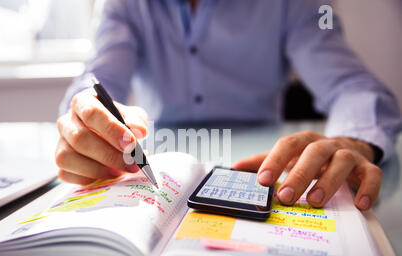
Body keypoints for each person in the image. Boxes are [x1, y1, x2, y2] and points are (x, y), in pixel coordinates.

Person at [55, 0, 401, 211]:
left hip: (265, 165)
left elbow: (353, 87)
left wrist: (352, 139)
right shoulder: (125, 4)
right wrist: (86, 120)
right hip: (165, 158)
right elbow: (96, 82)